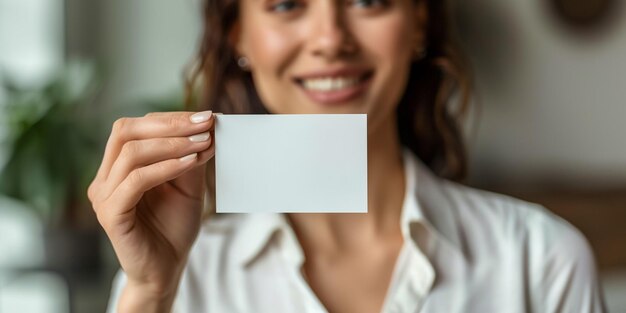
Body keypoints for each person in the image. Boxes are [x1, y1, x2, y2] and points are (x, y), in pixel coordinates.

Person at [88, 0, 606, 311]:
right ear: (237, 31)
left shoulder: (540, 263)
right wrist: (151, 292)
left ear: (419, 20)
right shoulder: (175, 284)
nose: (330, 40)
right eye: (288, 3)